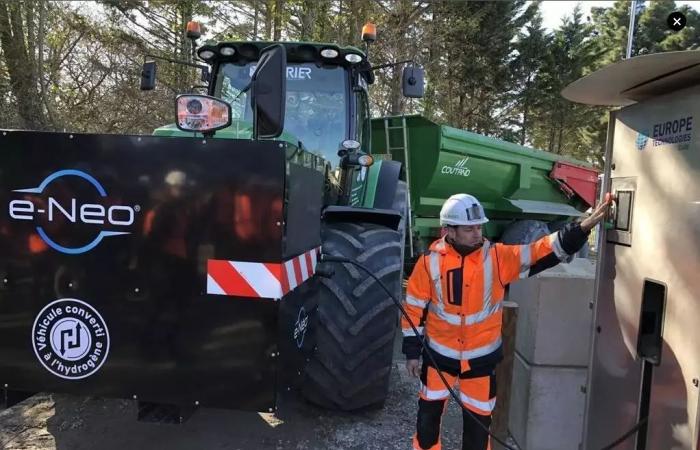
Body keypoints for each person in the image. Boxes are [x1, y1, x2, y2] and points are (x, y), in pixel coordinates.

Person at [403, 193, 610, 450]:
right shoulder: (428, 263)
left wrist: (582, 228)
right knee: (427, 426)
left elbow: (541, 250)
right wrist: (412, 353)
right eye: (469, 228)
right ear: (449, 230)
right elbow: (413, 309)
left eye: (479, 226)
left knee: (478, 433)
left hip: (479, 364)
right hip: (438, 360)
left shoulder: (498, 258)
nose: (477, 233)